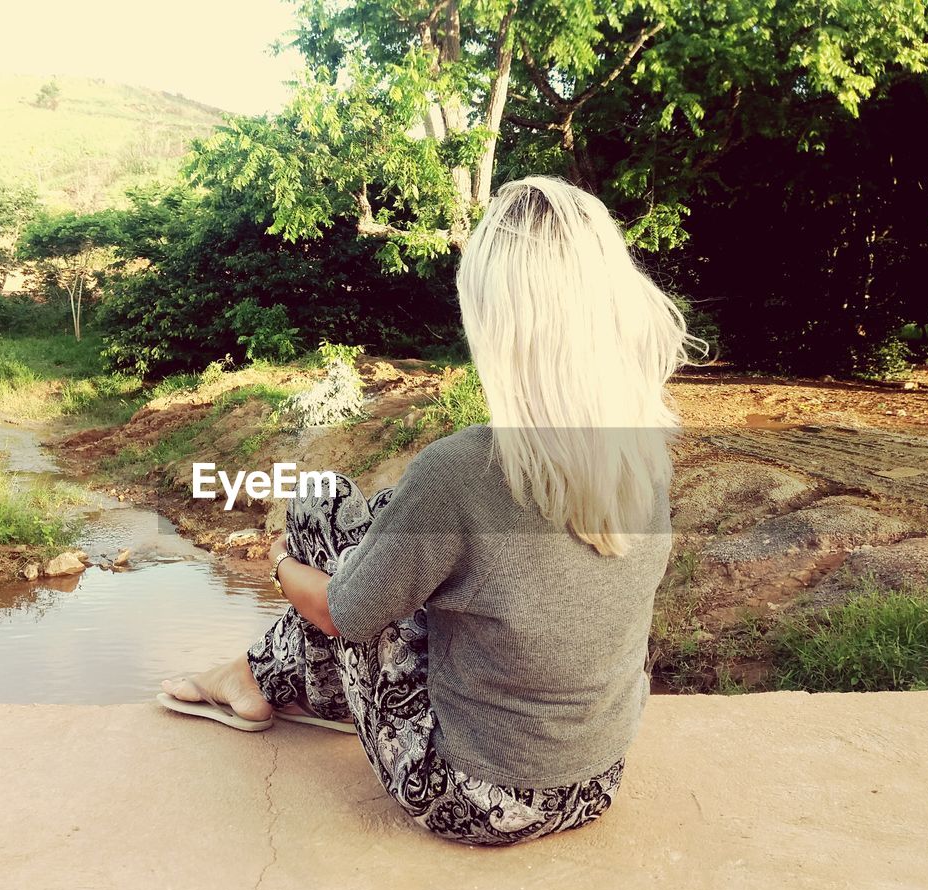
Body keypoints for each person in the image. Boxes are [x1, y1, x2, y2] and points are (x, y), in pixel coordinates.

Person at [159, 175, 697, 846]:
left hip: (470, 796)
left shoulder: (461, 471)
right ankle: (251, 678)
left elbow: (344, 615)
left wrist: (275, 567)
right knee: (392, 534)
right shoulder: (643, 453)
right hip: (595, 782)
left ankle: (251, 676)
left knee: (323, 508)